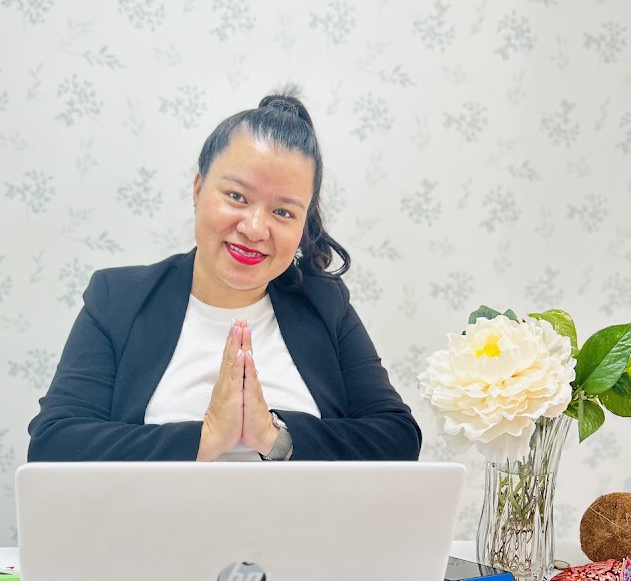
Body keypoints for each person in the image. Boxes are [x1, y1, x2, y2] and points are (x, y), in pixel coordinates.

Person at [27, 94, 421, 463]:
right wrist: (206, 437)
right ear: (198, 189)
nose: (255, 228)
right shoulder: (118, 299)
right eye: (237, 196)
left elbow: (397, 438)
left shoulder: (325, 304)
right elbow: (54, 444)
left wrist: (273, 436)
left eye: (283, 212)